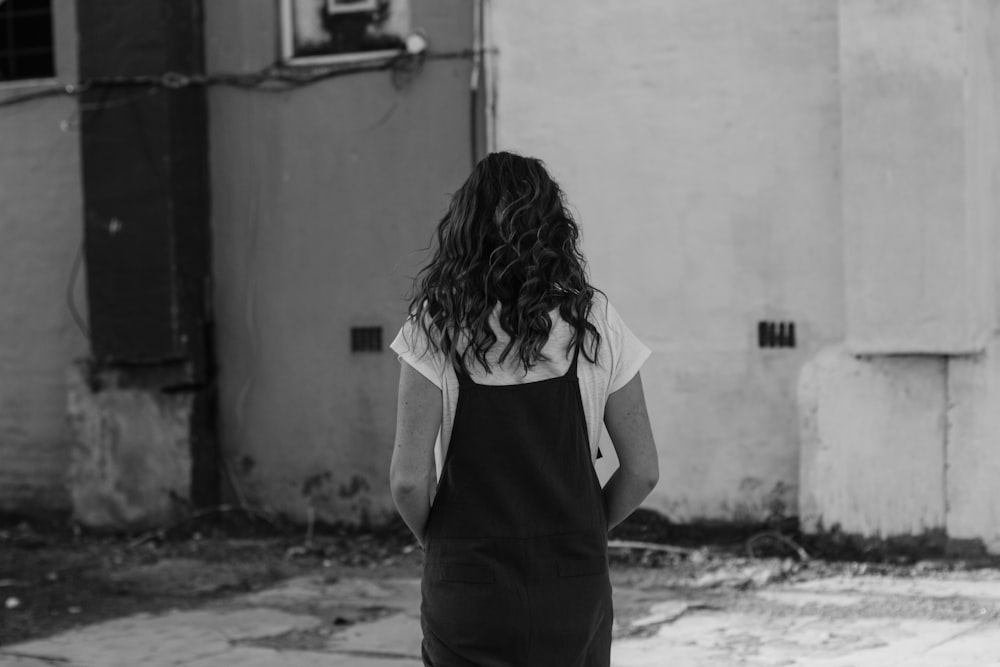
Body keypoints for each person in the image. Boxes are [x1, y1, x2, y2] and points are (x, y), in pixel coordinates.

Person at [389, 151, 659, 667]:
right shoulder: (593, 320)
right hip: (573, 586)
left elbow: (407, 481)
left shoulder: (436, 324)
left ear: (464, 229)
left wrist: (442, 543)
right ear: (555, 228)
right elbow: (643, 471)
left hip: (469, 587)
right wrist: (583, 529)